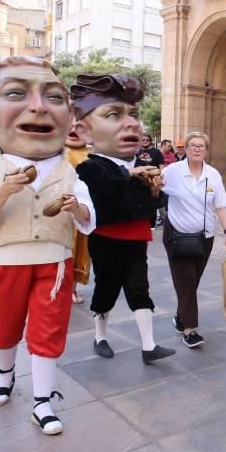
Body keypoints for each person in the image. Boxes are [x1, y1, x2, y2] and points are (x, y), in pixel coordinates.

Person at [0, 56, 96, 435]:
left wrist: (77, 207)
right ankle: (4, 373)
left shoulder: (70, 172)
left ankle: (43, 401)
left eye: (54, 98)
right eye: (17, 93)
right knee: (3, 326)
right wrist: (4, 190)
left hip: (54, 262)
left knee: (48, 330)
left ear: (68, 116)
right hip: (4, 261)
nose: (38, 107)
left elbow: (88, 217)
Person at [71, 74, 176, 364]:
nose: (132, 123)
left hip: (136, 236)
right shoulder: (92, 167)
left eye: (134, 115)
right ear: (85, 130)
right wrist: (132, 174)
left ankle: (149, 345)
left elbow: (149, 203)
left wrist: (155, 191)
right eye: (115, 115)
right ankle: (100, 336)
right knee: (106, 287)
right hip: (106, 238)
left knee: (139, 287)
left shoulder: (140, 164)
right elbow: (103, 186)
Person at [162, 131, 226, 348]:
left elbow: (220, 206)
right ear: (186, 149)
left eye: (200, 146)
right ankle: (189, 330)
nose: (196, 149)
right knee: (185, 280)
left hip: (204, 239)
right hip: (177, 236)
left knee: (192, 281)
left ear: (206, 150)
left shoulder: (213, 175)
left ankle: (180, 316)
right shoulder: (173, 171)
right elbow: (155, 185)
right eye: (192, 145)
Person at [64, 126, 91, 305]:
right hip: (57, 212)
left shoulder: (92, 154)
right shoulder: (53, 151)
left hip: (82, 210)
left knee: (79, 250)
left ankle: (72, 288)